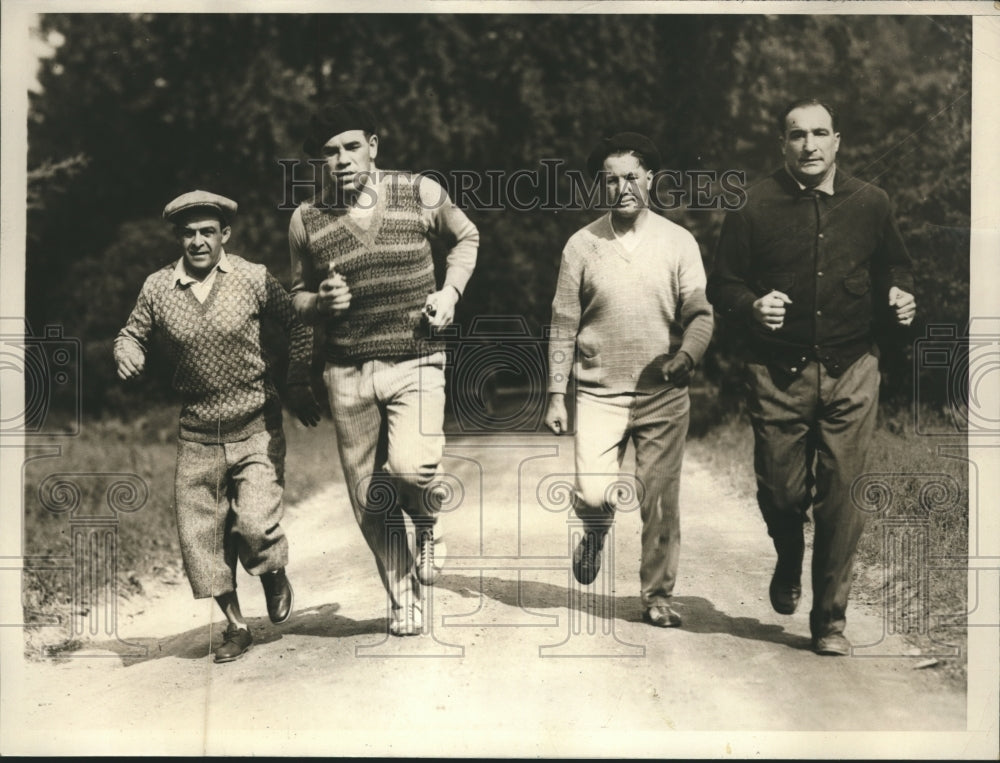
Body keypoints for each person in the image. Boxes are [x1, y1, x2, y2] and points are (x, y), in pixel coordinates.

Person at [707, 99, 916, 656]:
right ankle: (788, 554)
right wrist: (752, 305)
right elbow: (722, 285)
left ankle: (829, 622)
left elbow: (895, 264)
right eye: (797, 135)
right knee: (781, 494)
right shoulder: (752, 206)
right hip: (777, 373)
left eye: (820, 133)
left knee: (841, 497)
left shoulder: (871, 203)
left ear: (838, 141)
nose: (809, 145)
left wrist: (898, 292)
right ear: (783, 144)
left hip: (853, 368)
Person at [289, 101, 478, 636]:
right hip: (347, 374)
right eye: (329, 152)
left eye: (351, 146)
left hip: (416, 358)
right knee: (370, 500)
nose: (341, 160)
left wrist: (450, 292)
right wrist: (319, 302)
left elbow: (467, 238)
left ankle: (428, 521)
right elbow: (295, 295)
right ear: (318, 162)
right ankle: (402, 600)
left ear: (375, 144)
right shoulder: (306, 220)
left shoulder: (419, 191)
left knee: (413, 470)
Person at [115, 190, 321, 663]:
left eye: (207, 231)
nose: (198, 241)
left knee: (254, 523)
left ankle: (272, 572)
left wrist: (297, 383)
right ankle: (236, 626)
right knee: (200, 537)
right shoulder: (158, 288)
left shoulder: (252, 278)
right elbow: (131, 333)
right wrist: (127, 351)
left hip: (255, 425)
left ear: (224, 235)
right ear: (178, 238)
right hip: (198, 434)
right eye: (188, 233)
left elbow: (299, 321)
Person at [545, 132, 714, 628]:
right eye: (610, 179)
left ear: (650, 181)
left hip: (663, 395)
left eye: (631, 178)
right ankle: (596, 531)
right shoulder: (582, 245)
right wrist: (557, 395)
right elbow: (562, 324)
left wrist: (687, 356)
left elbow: (700, 314)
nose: (621, 188)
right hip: (599, 393)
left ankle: (657, 595)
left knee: (659, 500)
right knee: (594, 496)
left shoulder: (679, 242)